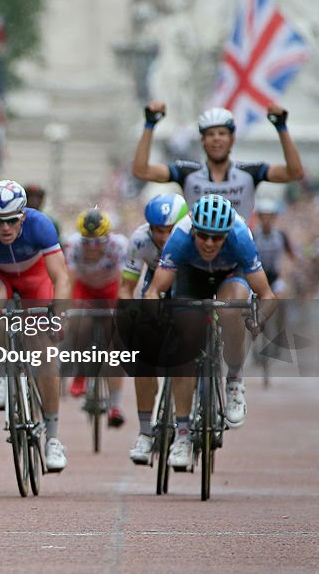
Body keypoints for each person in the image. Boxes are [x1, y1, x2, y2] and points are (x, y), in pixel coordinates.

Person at [144, 195, 276, 469]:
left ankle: (235, 379)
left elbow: (267, 295)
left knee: (232, 311)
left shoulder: (240, 237)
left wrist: (257, 321)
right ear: (193, 230)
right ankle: (182, 434)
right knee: (185, 344)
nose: (208, 243)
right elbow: (154, 291)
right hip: (191, 275)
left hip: (231, 274)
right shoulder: (180, 237)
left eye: (217, 238)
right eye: (203, 236)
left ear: (227, 233)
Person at [0, 180, 72, 472]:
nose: (6, 228)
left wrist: (58, 315)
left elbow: (61, 277)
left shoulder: (41, 224)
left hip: (35, 278)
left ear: (23, 216)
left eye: (12, 220)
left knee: (45, 355)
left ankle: (52, 438)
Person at [133, 103, 304, 217]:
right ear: (202, 141)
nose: (216, 139)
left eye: (222, 134)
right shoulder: (188, 172)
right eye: (210, 134)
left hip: (237, 254)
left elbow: (294, 173)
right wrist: (150, 125)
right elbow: (142, 171)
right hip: (196, 255)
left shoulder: (250, 172)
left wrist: (281, 127)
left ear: (232, 139)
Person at [119, 194, 188, 464]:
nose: (163, 237)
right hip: (155, 287)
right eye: (157, 230)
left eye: (169, 230)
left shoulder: (195, 236)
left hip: (189, 285)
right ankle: (146, 432)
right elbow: (126, 286)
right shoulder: (139, 239)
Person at [64, 208, 128, 426]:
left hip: (110, 288)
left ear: (107, 238)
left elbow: (123, 281)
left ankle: (115, 405)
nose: (92, 247)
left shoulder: (118, 246)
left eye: (97, 241)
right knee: (80, 324)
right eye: (87, 242)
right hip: (85, 288)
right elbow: (70, 280)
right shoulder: (73, 246)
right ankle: (81, 372)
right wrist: (68, 311)